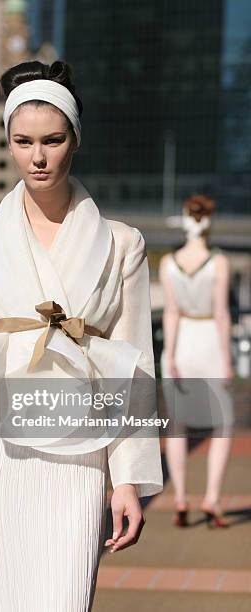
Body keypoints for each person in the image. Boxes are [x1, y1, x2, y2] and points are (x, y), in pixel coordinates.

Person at [0, 60, 163, 611]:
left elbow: (136, 370)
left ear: (76, 139)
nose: (38, 156)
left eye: (52, 140)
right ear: (7, 142)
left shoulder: (123, 244)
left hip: (76, 457)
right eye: (22, 141)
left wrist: (129, 480)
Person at [159, 194, 234, 529]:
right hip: (209, 342)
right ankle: (212, 497)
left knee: (177, 426)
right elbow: (221, 313)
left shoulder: (168, 263)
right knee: (222, 425)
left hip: (181, 342)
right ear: (209, 221)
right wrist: (228, 358)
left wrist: (171, 355)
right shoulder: (219, 262)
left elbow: (171, 313)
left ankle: (180, 498)